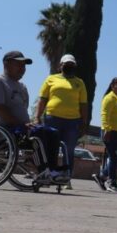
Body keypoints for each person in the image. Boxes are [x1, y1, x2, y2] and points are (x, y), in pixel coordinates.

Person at [0, 51, 67, 184]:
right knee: (37, 133)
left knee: (53, 133)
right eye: (18, 64)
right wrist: (21, 124)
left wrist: (27, 124)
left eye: (24, 66)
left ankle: (52, 170)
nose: (22, 69)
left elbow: (24, 110)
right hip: (5, 127)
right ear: (6, 64)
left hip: (22, 127)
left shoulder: (22, 87)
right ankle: (43, 171)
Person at [35, 54, 88, 189]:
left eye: (71, 64)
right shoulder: (51, 79)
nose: (69, 66)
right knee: (49, 149)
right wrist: (37, 116)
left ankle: (66, 178)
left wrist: (84, 122)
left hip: (72, 122)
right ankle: (47, 176)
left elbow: (83, 104)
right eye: (66, 64)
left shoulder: (79, 83)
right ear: (60, 66)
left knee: (68, 150)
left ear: (74, 66)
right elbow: (42, 99)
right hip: (52, 118)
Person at [92, 77, 117, 193]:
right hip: (112, 132)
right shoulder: (109, 98)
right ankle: (112, 183)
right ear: (112, 86)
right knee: (114, 157)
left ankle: (101, 177)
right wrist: (107, 130)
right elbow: (104, 114)